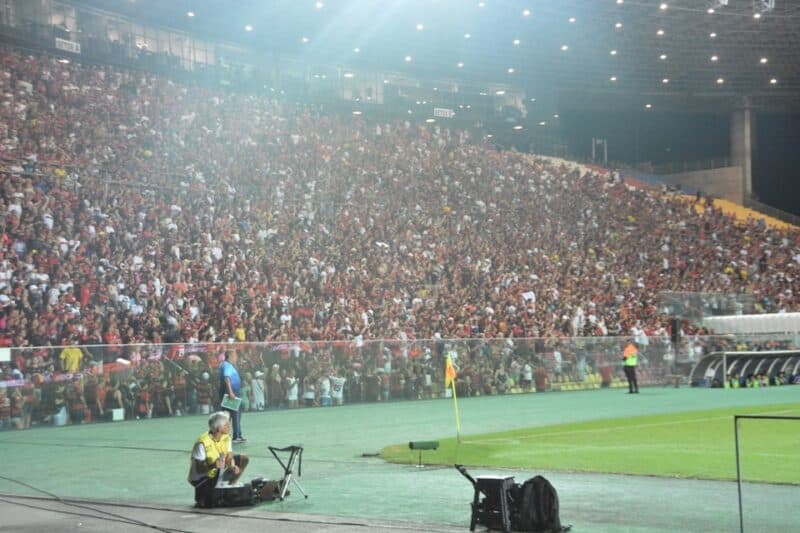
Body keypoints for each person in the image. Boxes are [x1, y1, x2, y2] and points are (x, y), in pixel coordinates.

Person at [187, 411, 249, 508]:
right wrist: (213, 466)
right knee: (209, 502)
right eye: (227, 424)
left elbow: (229, 457)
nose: (229, 426)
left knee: (244, 459)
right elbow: (199, 469)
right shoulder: (202, 443)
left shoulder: (226, 437)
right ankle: (204, 493)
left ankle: (230, 486)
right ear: (219, 428)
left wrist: (232, 466)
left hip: (217, 471)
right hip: (201, 478)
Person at [219, 350, 245, 443]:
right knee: (234, 415)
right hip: (230, 393)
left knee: (229, 415)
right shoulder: (227, 365)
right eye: (235, 355)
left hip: (231, 393)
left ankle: (235, 435)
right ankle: (236, 436)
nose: (236, 357)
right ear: (230, 356)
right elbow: (227, 378)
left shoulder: (227, 365)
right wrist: (230, 392)